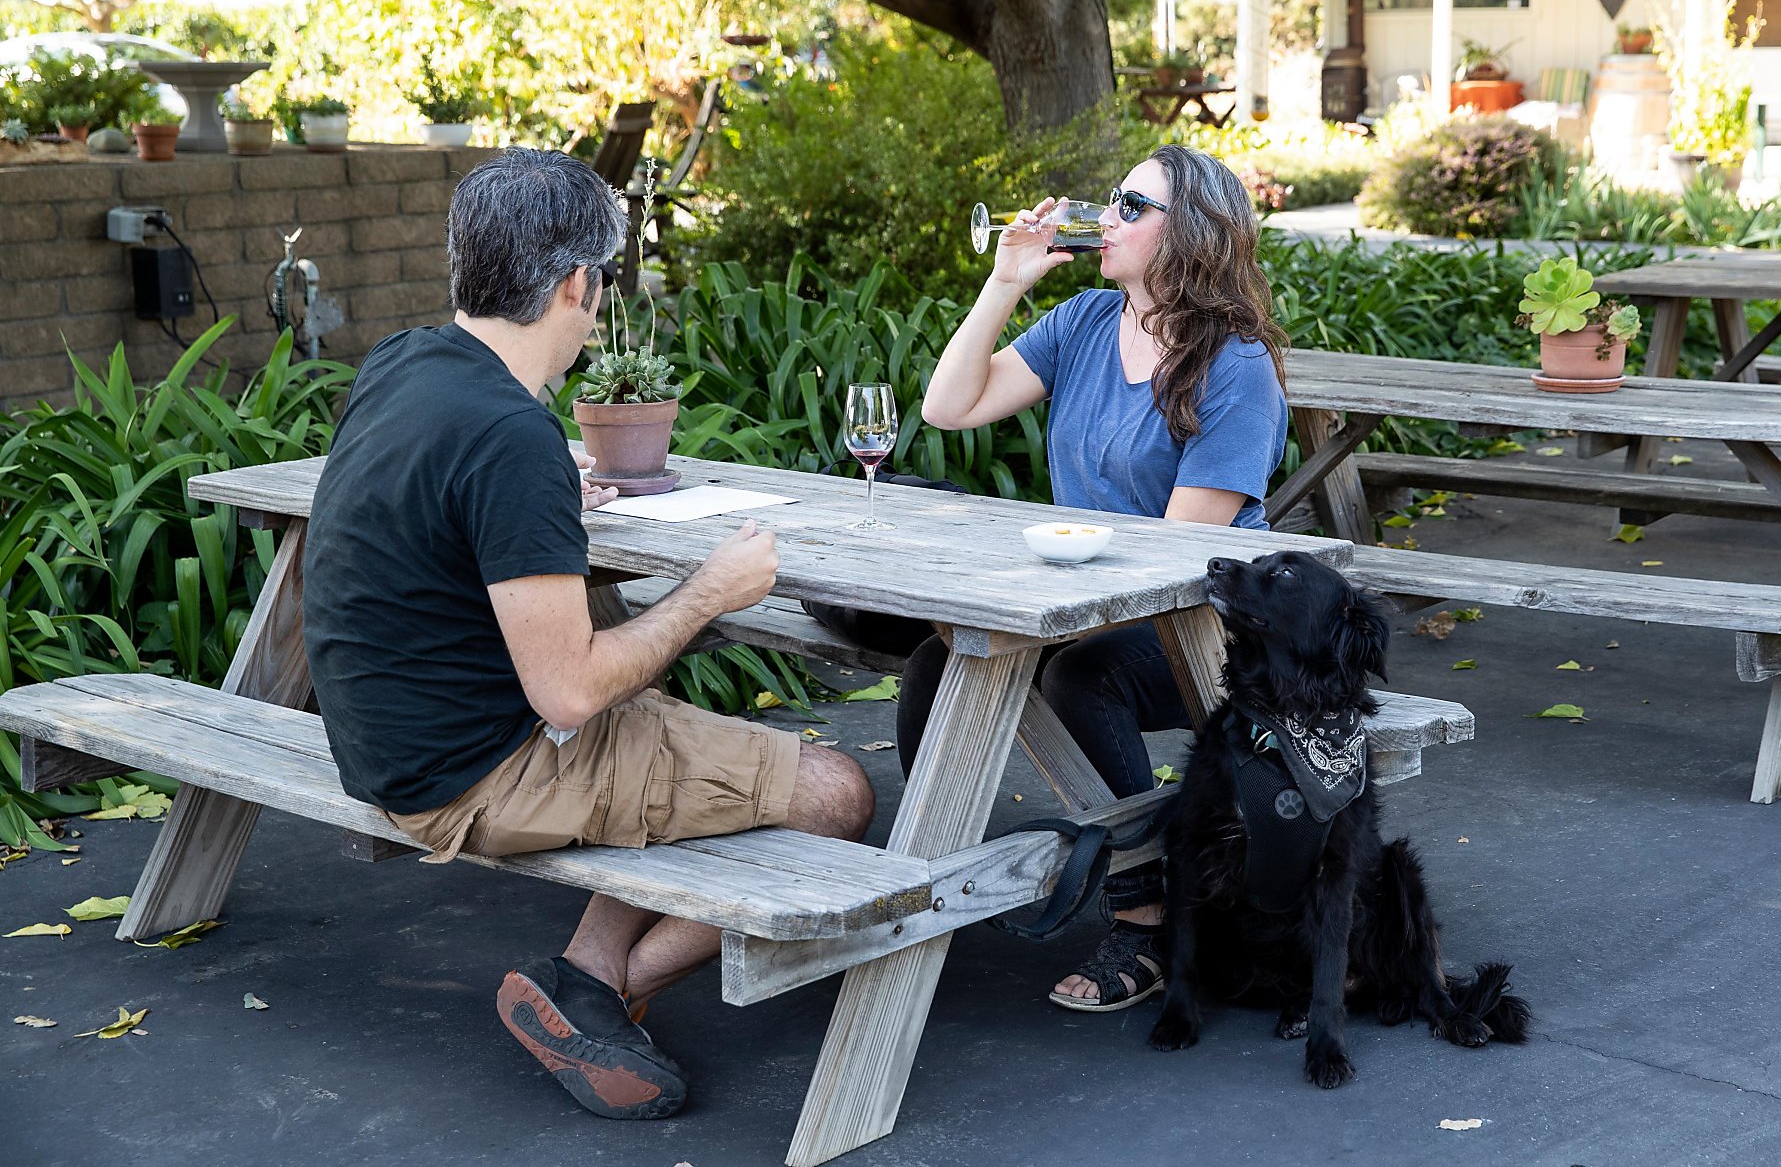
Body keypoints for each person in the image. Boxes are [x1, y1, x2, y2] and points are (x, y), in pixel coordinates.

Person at [301, 147, 873, 1121]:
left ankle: (589, 972)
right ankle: (603, 992)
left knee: (655, 721)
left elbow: (447, 479)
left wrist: (544, 485)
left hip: (383, 739)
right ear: (577, 282)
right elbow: (566, 695)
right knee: (835, 793)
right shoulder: (507, 439)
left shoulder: (410, 364)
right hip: (469, 772)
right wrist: (708, 591)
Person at [905, 143, 1289, 1011]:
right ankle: (932, 880)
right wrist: (1004, 282)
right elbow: (948, 407)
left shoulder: (1235, 365)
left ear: (1188, 232)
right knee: (941, 659)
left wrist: (1052, 607)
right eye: (1112, 200)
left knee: (1084, 673)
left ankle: (1146, 911)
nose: (1104, 217)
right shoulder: (1082, 321)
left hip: (1210, 620)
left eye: (1129, 205)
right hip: (1087, 596)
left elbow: (1178, 557)